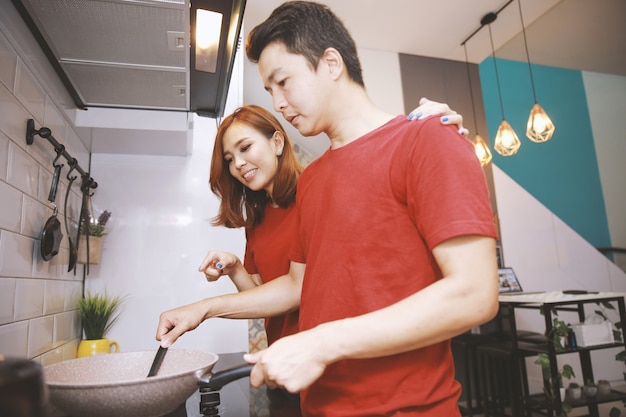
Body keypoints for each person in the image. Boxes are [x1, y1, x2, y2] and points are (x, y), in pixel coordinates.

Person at [158, 2, 499, 415]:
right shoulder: (314, 180)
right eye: (270, 91)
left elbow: (475, 294)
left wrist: (321, 342)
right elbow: (297, 286)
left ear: (331, 63)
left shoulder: (427, 139)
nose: (279, 103)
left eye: (283, 82)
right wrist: (202, 309)